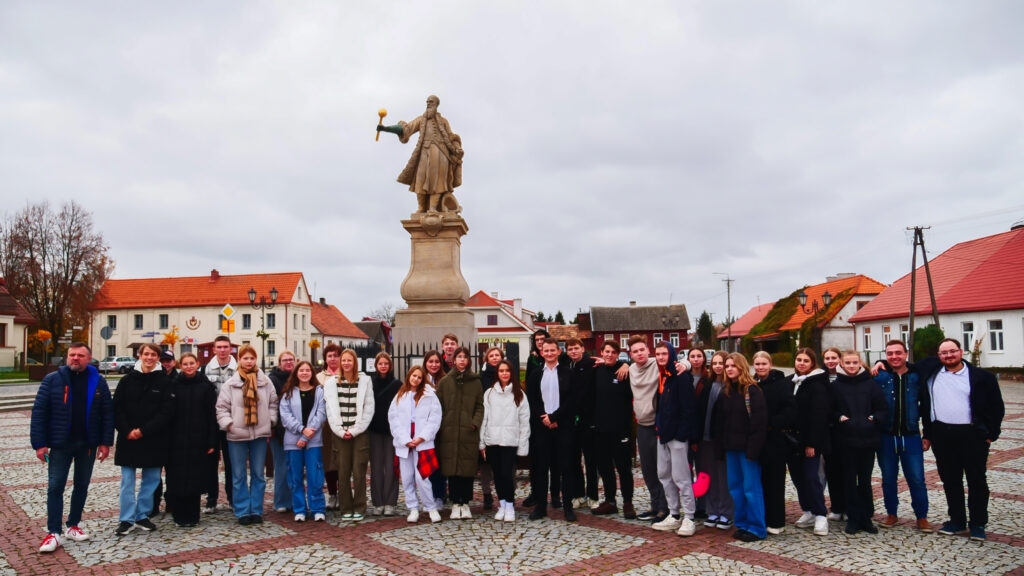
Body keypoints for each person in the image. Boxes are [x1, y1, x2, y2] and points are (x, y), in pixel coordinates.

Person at [31, 342, 114, 553]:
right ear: (67, 357)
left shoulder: (98, 381)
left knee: (82, 485)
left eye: (80, 355)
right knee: (55, 486)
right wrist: (40, 444)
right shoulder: (52, 380)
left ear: (89, 358)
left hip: (87, 443)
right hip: (61, 443)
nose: (75, 358)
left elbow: (107, 413)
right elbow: (39, 412)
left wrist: (105, 442)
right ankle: (53, 532)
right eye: (72, 355)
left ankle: (73, 525)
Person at [923, 338, 1004, 541]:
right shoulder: (931, 372)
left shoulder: (982, 377)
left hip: (973, 435)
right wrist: (881, 363)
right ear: (938, 356)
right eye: (944, 353)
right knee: (950, 480)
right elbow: (901, 362)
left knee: (977, 480)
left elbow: (997, 407)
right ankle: (956, 521)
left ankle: (977, 523)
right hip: (942, 434)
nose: (948, 355)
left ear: (961, 351)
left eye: (952, 351)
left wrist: (991, 435)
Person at [112, 343, 174, 536]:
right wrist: (127, 430)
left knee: (152, 479)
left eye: (153, 354)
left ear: (157, 358)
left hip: (154, 438)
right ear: (139, 355)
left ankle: (142, 515)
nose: (149, 357)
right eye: (146, 354)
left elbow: (167, 412)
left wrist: (144, 431)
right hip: (128, 438)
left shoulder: (164, 382)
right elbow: (117, 409)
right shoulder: (127, 380)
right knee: (127, 481)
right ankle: (126, 518)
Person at [872, 340, 933, 533]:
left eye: (898, 353)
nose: (894, 357)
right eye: (889, 354)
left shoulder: (917, 375)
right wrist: (878, 362)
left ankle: (922, 516)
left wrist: (927, 434)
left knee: (916, 478)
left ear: (906, 354)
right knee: (888, 478)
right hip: (886, 436)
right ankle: (892, 513)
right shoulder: (879, 375)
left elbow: (927, 406)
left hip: (911, 435)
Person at [216, 345, 279, 525]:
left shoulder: (265, 382)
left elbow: (273, 403)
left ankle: (256, 509)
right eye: (245, 358)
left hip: (259, 434)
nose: (249, 361)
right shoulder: (231, 384)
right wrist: (229, 424)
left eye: (252, 358)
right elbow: (221, 408)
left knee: (259, 474)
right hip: (237, 434)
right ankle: (242, 510)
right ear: (239, 360)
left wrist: (271, 420)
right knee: (239, 475)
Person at [377, 94, 465, 213]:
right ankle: (421, 208)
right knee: (420, 178)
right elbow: (406, 129)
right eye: (427, 102)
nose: (428, 103)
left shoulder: (444, 121)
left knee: (437, 181)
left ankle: (433, 208)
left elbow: (452, 137)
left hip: (441, 153)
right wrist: (386, 128)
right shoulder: (421, 120)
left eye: (431, 102)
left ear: (436, 105)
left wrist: (457, 148)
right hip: (424, 152)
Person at [832, 350, 887, 535]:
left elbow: (882, 408)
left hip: (867, 440)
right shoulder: (836, 386)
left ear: (860, 363)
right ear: (842, 363)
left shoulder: (870, 384)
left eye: (855, 362)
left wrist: (873, 419)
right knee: (848, 480)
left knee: (864, 480)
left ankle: (866, 518)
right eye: (848, 363)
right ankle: (853, 518)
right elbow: (829, 410)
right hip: (845, 441)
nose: (851, 366)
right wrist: (840, 418)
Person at [715, 353, 767, 542]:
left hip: (748, 450)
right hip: (731, 449)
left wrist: (753, 450)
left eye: (733, 366)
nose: (729, 369)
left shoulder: (752, 390)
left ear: (741, 367)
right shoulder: (726, 392)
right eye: (727, 366)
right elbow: (720, 423)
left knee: (751, 489)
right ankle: (743, 523)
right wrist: (720, 448)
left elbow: (759, 424)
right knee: (735, 488)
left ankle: (757, 527)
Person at [526, 340, 578, 522]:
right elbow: (532, 399)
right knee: (541, 468)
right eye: (545, 350)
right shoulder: (535, 374)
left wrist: (555, 418)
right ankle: (540, 506)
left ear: (558, 352)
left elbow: (572, 400)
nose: (548, 353)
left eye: (552, 350)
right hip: (542, 427)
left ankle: (568, 507)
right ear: (541, 353)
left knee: (566, 468)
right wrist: (544, 417)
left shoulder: (567, 372)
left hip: (563, 426)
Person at [651, 342, 698, 537]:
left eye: (664, 353)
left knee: (681, 477)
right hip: (662, 433)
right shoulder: (662, 375)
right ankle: (674, 513)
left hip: (677, 436)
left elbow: (689, 408)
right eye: (658, 354)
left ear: (671, 354)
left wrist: (682, 434)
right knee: (664, 474)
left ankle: (690, 516)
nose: (661, 357)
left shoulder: (680, 376)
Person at [166, 353, 218, 528]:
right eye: (185, 364)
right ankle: (179, 514)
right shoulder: (173, 385)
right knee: (177, 476)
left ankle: (193, 515)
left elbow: (212, 416)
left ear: (197, 364)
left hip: (199, 438)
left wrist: (212, 441)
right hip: (176, 438)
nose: (188, 367)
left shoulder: (206, 386)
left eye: (191, 363)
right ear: (180, 366)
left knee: (196, 476)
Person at [324, 348, 375, 521]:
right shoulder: (331, 384)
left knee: (359, 470)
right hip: (340, 432)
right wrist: (340, 430)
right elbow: (329, 409)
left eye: (349, 360)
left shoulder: (365, 381)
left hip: (359, 432)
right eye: (343, 360)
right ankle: (346, 507)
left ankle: (360, 506)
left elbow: (369, 407)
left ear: (355, 362)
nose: (346, 363)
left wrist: (355, 429)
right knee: (343, 471)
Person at [389, 365, 443, 524]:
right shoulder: (400, 394)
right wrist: (404, 439)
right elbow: (393, 419)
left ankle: (430, 507)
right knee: (406, 477)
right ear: (409, 376)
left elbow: (434, 419)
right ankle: (413, 508)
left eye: (419, 377)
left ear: (422, 379)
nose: (416, 379)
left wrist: (422, 437)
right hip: (404, 441)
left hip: (422, 441)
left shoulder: (430, 395)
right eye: (414, 376)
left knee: (422, 477)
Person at [437, 346, 484, 520]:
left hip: (468, 432)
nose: (462, 360)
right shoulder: (445, 382)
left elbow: (480, 406)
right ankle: (456, 503)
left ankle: (466, 503)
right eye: (459, 357)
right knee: (453, 470)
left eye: (465, 357)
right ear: (453, 360)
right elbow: (438, 407)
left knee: (467, 470)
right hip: (449, 432)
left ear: (469, 360)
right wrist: (443, 424)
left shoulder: (476, 381)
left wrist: (474, 423)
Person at [480, 359, 531, 522]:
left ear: (511, 373)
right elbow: (484, 419)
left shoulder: (519, 394)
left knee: (507, 475)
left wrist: (522, 445)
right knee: (498, 476)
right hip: (493, 440)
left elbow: (524, 421)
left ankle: (510, 505)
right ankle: (502, 504)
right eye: (501, 371)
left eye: (507, 371)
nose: (504, 373)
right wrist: (482, 442)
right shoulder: (489, 393)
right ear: (497, 373)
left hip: (510, 441)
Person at [787, 348, 830, 536]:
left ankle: (821, 514)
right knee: (798, 478)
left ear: (812, 363)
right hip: (792, 440)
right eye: (798, 360)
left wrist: (812, 444)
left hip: (809, 441)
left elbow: (819, 416)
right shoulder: (791, 382)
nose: (801, 363)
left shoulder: (817, 385)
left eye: (805, 360)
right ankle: (808, 510)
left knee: (812, 478)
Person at [752, 351, 796, 535]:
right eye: (757, 364)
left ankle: (776, 521)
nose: (761, 367)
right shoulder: (752, 384)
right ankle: (761, 517)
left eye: (764, 363)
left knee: (775, 482)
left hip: (775, 438)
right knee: (758, 481)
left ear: (770, 364)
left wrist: (770, 422)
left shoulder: (782, 384)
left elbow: (791, 410)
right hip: (756, 439)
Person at [278, 360, 327, 522]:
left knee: (315, 476)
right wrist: (301, 430)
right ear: (296, 373)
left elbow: (321, 414)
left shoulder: (319, 392)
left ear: (312, 373)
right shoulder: (288, 393)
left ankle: (317, 508)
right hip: (293, 441)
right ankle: (299, 509)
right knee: (295, 477)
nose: (305, 373)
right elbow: (285, 417)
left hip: (313, 441)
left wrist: (306, 436)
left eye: (308, 370)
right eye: (301, 370)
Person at [591, 341, 635, 518]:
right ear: (601, 352)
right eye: (606, 351)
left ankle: (627, 502)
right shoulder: (597, 371)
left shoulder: (625, 371)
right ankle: (610, 501)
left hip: (621, 429)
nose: (609, 355)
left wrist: (627, 364)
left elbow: (641, 366)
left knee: (624, 468)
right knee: (605, 467)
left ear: (618, 354)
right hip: (601, 429)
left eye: (613, 352)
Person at [628, 336, 668, 523]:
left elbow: (679, 361)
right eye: (635, 351)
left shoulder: (656, 363)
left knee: (663, 469)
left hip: (658, 425)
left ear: (648, 350)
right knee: (648, 469)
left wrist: (688, 365)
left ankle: (665, 507)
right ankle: (655, 504)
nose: (639, 353)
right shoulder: (630, 369)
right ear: (631, 354)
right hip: (642, 426)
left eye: (642, 350)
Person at [695, 350, 733, 531]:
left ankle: (726, 513)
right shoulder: (707, 384)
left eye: (722, 363)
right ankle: (712, 510)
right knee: (707, 476)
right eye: (715, 363)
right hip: (705, 438)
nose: (718, 366)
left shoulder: (731, 385)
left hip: (722, 440)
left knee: (723, 477)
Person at [202, 335, 237, 512]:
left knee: (232, 462)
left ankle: (232, 497)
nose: (222, 350)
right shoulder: (205, 370)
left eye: (225, 347)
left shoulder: (237, 369)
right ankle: (212, 498)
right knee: (210, 462)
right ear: (214, 349)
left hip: (232, 422)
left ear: (230, 349)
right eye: (219, 347)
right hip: (212, 423)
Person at [565, 338, 600, 511]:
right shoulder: (568, 366)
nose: (573, 351)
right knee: (574, 460)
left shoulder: (592, 364)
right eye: (570, 349)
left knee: (591, 460)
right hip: (573, 421)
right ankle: (578, 494)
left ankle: (593, 496)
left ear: (582, 348)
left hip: (589, 420)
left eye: (576, 348)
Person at [368, 352, 402, 516]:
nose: (383, 366)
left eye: (385, 364)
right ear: (376, 366)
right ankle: (377, 502)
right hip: (374, 429)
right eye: (380, 363)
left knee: (391, 467)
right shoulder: (370, 383)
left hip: (391, 431)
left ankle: (390, 501)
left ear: (390, 365)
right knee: (375, 467)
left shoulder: (397, 384)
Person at [266, 351, 295, 513]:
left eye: (291, 359)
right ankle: (281, 501)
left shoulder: (297, 377)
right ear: (279, 363)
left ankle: (293, 500)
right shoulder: (273, 380)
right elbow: (271, 405)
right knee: (281, 466)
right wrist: (273, 426)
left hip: (296, 429)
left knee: (295, 467)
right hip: (279, 430)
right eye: (285, 360)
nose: (288, 362)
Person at [316, 343, 344, 510]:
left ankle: (343, 493)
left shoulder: (347, 375)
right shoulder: (319, 378)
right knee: (328, 461)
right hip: (325, 426)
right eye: (330, 356)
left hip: (342, 423)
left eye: (336, 355)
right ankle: (332, 493)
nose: (333, 359)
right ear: (325, 359)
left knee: (342, 460)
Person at [477, 346, 504, 510]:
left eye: (498, 355)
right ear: (486, 359)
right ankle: (487, 494)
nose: (495, 358)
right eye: (492, 355)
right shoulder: (481, 378)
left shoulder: (507, 375)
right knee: (485, 462)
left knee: (504, 463)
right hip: (486, 423)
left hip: (504, 423)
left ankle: (505, 495)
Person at [821, 346, 846, 522]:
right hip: (828, 429)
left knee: (848, 471)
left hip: (846, 429)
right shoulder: (821, 378)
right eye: (827, 358)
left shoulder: (847, 377)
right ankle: (836, 507)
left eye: (834, 358)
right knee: (832, 471)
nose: (831, 361)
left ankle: (849, 506)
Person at [423, 350, 449, 510]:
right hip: (424, 429)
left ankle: (439, 495)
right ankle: (428, 496)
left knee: (439, 465)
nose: (434, 364)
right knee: (427, 465)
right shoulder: (419, 379)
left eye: (437, 361)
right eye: (430, 361)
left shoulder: (445, 380)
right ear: (425, 363)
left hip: (441, 429)